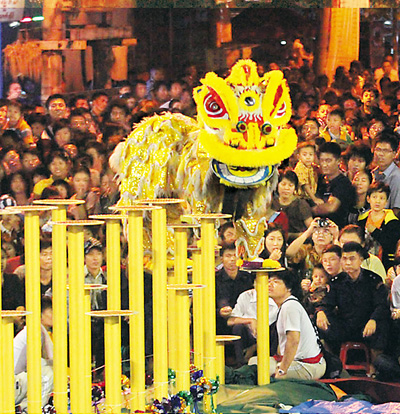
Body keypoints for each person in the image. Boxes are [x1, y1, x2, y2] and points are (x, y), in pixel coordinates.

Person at [316, 242, 390, 364]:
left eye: (352, 259)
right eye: (345, 259)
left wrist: (373, 319)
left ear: (360, 260)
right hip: (345, 325)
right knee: (319, 321)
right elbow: (327, 303)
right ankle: (333, 363)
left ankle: (374, 366)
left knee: (382, 324)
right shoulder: (336, 281)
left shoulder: (373, 279)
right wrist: (321, 312)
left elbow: (381, 305)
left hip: (366, 324)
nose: (348, 263)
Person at [261, 269, 326, 380]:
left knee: (260, 370)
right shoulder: (285, 305)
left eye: (276, 282)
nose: (270, 285)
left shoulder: (290, 306)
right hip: (297, 362)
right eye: (269, 281)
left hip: (308, 366)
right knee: (254, 362)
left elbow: (293, 340)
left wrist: (282, 370)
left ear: (289, 288)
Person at [14, 296, 54, 411]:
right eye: (51, 312)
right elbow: (34, 364)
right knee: (49, 373)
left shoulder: (39, 331)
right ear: (40, 316)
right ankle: (32, 410)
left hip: (17, 381)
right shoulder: (33, 332)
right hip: (10, 384)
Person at [227, 279, 278, 367]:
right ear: (254, 283)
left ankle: (270, 361)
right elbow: (230, 321)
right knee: (238, 328)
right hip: (250, 335)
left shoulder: (277, 297)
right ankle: (241, 364)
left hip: (270, 336)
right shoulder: (246, 296)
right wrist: (251, 320)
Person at [312, 141, 356, 229]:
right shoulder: (319, 180)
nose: (324, 165)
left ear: (338, 161)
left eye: (328, 161)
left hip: (336, 229)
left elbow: (331, 207)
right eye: (322, 160)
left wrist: (308, 210)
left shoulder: (343, 183)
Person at [358, 181, 400, 271]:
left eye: (382, 198)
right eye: (374, 197)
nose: (377, 201)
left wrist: (375, 231)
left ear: (386, 201)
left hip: (385, 264)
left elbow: (391, 245)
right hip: (364, 263)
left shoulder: (392, 222)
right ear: (368, 199)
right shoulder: (361, 219)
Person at [216, 244, 253, 335]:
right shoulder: (215, 279)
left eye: (235, 256)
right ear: (221, 259)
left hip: (244, 319)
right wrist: (220, 312)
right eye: (228, 256)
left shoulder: (248, 278)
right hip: (221, 322)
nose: (232, 259)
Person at [272, 170, 313, 241]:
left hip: (298, 241)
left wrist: (292, 235)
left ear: (295, 188)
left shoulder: (301, 204)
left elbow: (311, 229)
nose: (286, 188)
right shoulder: (272, 202)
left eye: (290, 185)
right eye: (283, 184)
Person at [372, 131, 400, 217]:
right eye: (378, 149)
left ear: (394, 154)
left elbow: (396, 210)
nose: (381, 154)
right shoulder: (373, 173)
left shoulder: (396, 177)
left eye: (386, 151)